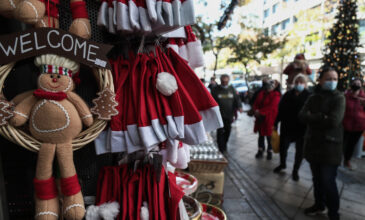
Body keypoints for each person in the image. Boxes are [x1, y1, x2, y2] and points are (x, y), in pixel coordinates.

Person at [299, 66, 345, 220]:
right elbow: (302, 115)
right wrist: (321, 117)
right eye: (328, 79)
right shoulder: (314, 96)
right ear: (320, 80)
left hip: (330, 147)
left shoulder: (339, 97)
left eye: (335, 79)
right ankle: (319, 205)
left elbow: (333, 121)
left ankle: (334, 213)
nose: (332, 82)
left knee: (328, 181)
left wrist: (314, 117)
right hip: (314, 145)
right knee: (317, 179)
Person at [273, 74, 311, 181]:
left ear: (305, 84)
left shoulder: (309, 96)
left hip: (301, 128)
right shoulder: (287, 95)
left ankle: (295, 170)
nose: (299, 84)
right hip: (287, 126)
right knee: (283, 147)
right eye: (297, 82)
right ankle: (282, 164)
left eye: (301, 82)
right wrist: (276, 123)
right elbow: (280, 110)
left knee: (300, 151)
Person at [211, 74, 243, 153]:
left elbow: (237, 99)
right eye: (223, 81)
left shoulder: (232, 89)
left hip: (229, 115)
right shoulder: (215, 90)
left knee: (228, 130)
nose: (225, 82)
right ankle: (221, 147)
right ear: (221, 81)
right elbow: (211, 101)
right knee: (220, 131)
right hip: (219, 115)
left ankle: (224, 144)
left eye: (226, 81)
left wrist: (239, 107)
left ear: (228, 81)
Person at [252, 79, 281, 160]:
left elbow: (272, 107)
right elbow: (256, 103)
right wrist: (256, 110)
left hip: (270, 119)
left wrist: (260, 111)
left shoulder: (276, 95)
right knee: (261, 135)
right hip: (260, 119)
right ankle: (260, 150)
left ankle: (269, 151)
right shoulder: (261, 93)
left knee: (269, 136)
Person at [342, 78, 365, 170]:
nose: (356, 85)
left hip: (358, 126)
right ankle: (337, 158)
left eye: (358, 83)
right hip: (345, 124)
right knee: (342, 142)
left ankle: (347, 160)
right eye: (354, 83)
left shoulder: (364, 97)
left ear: (361, 85)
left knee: (351, 145)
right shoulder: (345, 96)